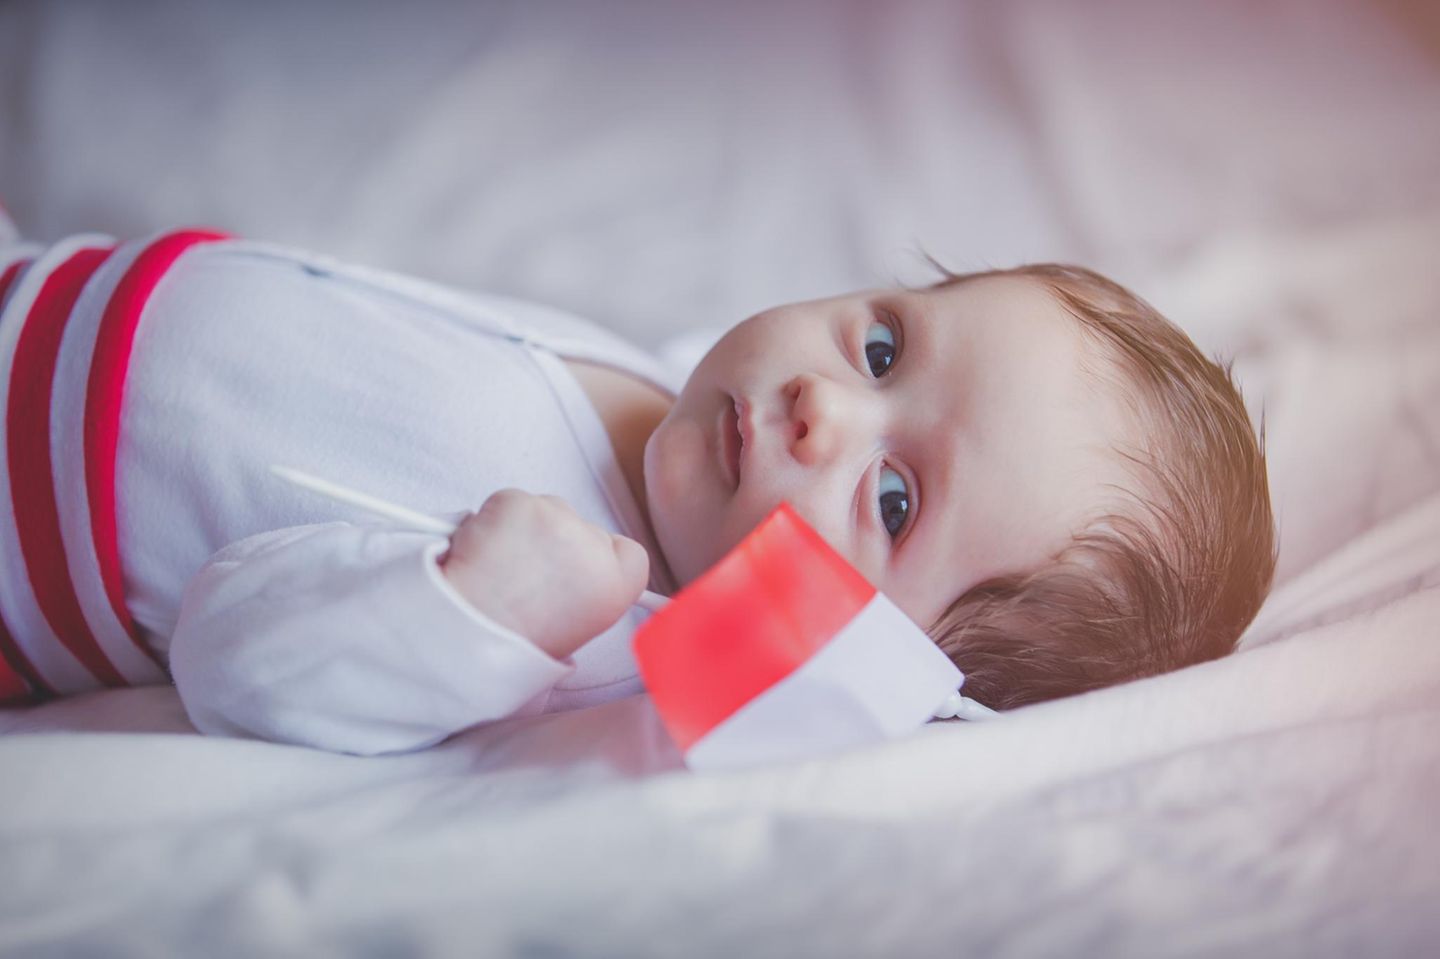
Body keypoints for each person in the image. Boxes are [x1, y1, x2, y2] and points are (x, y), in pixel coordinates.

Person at [0, 216, 1276, 754]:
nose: (821, 404)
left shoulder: (593, 630)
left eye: (893, 500)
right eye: (884, 344)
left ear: (865, 651)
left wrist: (461, 614)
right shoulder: (673, 396)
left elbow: (235, 656)